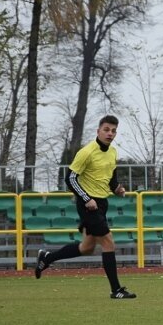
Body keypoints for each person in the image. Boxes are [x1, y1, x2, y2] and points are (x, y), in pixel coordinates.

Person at [35, 115, 136, 299]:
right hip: (88, 205)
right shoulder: (87, 151)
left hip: (102, 203)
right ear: (98, 131)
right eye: (106, 129)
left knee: (86, 248)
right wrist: (86, 198)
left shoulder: (113, 152)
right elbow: (70, 178)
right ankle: (116, 290)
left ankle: (47, 258)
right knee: (108, 242)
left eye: (113, 130)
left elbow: (111, 178)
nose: (110, 133)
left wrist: (117, 189)